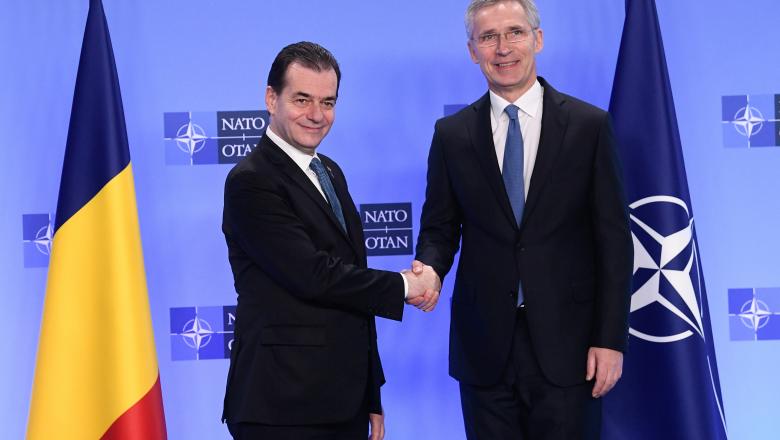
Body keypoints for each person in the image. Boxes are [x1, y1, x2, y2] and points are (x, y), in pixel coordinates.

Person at [412, 1, 633, 438]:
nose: (503, 47)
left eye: (514, 32)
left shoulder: (589, 126)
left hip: (570, 348)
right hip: (484, 350)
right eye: (488, 37)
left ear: (538, 39)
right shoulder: (451, 135)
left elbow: (614, 242)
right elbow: (440, 227)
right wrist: (430, 269)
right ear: (472, 50)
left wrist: (610, 339)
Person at [221, 41, 438, 440]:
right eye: (302, 99)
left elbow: (352, 289)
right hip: (281, 406)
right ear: (271, 99)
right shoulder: (251, 181)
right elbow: (314, 275)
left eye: (328, 102)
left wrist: (371, 393)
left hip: (341, 402)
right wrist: (406, 286)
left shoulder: (330, 172)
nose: (316, 115)